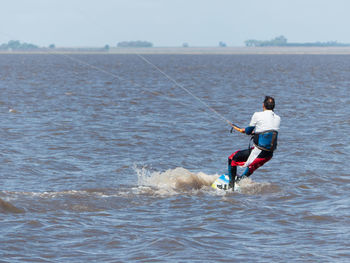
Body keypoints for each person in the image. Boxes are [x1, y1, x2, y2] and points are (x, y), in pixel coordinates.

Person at [228, 96, 281, 188]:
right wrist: (255, 132)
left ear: (263, 105)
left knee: (232, 158)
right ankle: (239, 181)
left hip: (259, 153)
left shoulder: (257, 115)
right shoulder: (278, 118)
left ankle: (231, 186)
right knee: (252, 166)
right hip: (269, 154)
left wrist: (242, 130)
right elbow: (267, 130)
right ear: (273, 107)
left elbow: (248, 131)